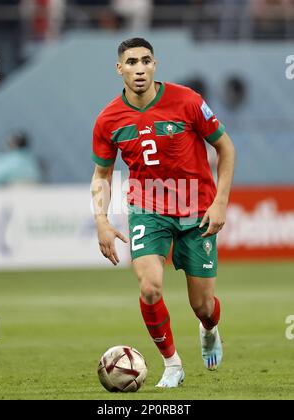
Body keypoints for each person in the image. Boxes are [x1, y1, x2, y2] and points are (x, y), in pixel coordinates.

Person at [91, 38, 235, 388]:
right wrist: (102, 221)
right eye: (131, 62)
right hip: (146, 207)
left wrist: (220, 202)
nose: (139, 68)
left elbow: (225, 148)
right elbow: (102, 175)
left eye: (146, 61)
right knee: (150, 287)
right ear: (119, 68)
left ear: (155, 65)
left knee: (202, 305)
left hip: (195, 207)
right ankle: (172, 364)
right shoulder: (108, 120)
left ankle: (209, 328)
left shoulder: (187, 101)